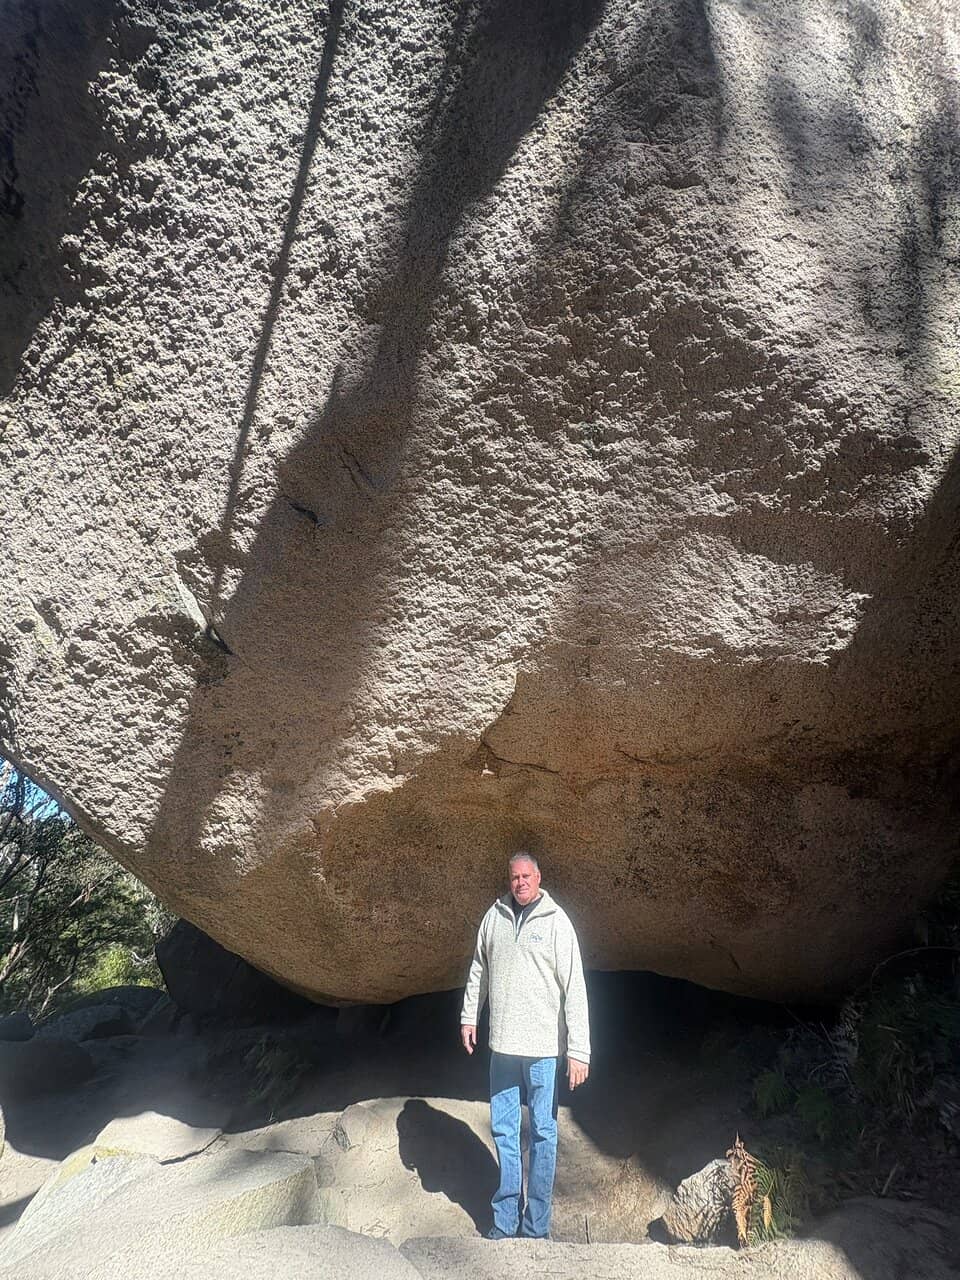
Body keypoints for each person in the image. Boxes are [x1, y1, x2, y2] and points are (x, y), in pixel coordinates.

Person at [460, 852, 590, 1240]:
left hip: (544, 1051)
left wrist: (578, 1050)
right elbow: (478, 968)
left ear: (539, 877)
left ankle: (536, 1228)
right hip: (502, 1046)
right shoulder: (494, 917)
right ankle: (504, 1222)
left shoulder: (557, 922)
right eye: (514, 877)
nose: (520, 883)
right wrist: (470, 1015)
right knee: (504, 1130)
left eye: (526, 876)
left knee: (544, 1134)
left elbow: (575, 988)